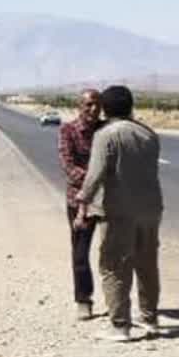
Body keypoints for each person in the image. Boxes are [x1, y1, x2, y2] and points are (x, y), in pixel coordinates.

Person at [76, 86, 164, 342]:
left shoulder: (106, 135)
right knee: (147, 265)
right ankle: (150, 319)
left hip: (119, 212)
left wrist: (82, 202)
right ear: (130, 106)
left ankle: (120, 326)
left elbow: (95, 175)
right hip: (151, 210)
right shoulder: (148, 134)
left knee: (113, 266)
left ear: (105, 109)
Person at [57, 90, 104, 321]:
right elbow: (68, 165)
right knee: (80, 253)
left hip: (108, 200)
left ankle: (118, 300)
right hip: (79, 201)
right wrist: (95, 180)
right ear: (80, 106)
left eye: (97, 104)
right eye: (89, 104)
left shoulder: (107, 130)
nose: (93, 109)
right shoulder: (68, 131)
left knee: (115, 251)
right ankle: (83, 300)